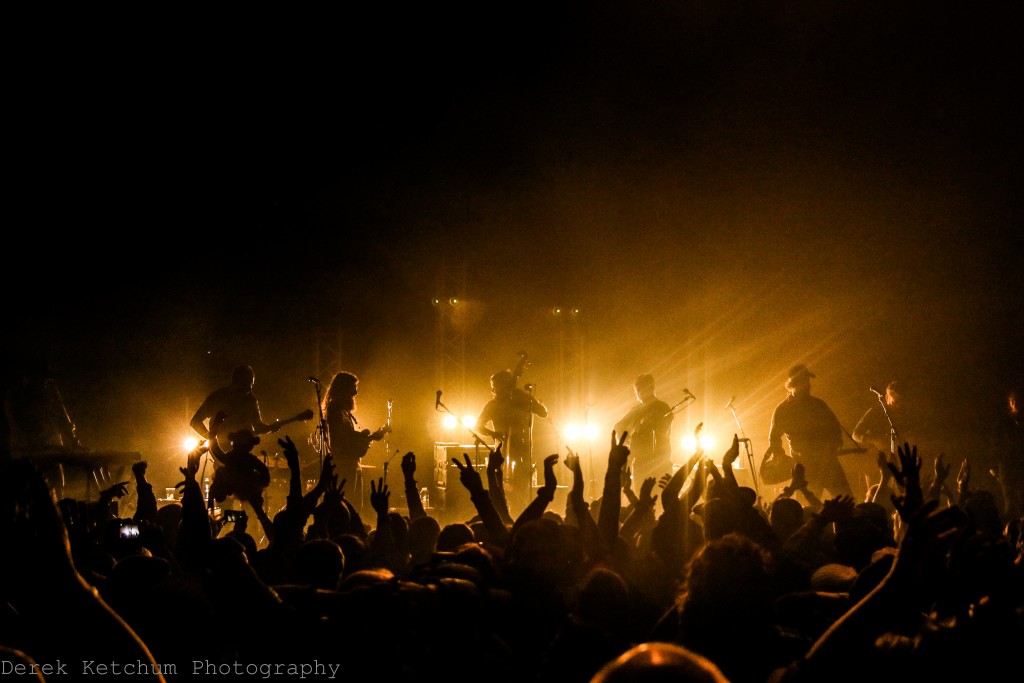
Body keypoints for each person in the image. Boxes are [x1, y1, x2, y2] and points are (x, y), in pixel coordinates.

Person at [764, 364, 851, 499]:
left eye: (808, 381)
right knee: (808, 507)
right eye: (804, 381)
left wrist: (836, 443)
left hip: (828, 462)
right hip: (805, 467)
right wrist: (781, 457)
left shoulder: (819, 404)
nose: (808, 385)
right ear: (793, 384)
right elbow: (774, 438)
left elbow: (835, 428)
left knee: (847, 500)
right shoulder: (783, 409)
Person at [477, 368, 549, 514]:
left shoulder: (521, 399)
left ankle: (520, 511)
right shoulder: (492, 405)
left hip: (522, 447)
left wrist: (527, 399)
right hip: (501, 450)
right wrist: (493, 433)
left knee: (522, 485)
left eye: (497, 386)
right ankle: (502, 513)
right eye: (494, 386)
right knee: (499, 485)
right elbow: (478, 425)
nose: (495, 389)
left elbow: (543, 413)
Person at [322, 371, 390, 514]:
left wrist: (370, 437)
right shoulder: (335, 411)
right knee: (348, 505)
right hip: (343, 464)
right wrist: (369, 438)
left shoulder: (343, 412)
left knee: (354, 505)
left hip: (351, 463)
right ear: (344, 389)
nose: (355, 393)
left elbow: (348, 437)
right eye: (353, 388)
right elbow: (340, 441)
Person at [190, 364, 277, 453]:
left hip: (243, 453)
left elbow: (257, 425)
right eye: (246, 384)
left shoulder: (250, 400)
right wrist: (211, 438)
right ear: (236, 382)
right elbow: (195, 421)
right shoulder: (218, 397)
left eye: (251, 385)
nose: (249, 389)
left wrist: (270, 428)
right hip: (221, 451)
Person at [614, 373, 673, 483]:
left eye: (640, 389)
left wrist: (646, 426)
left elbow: (662, 431)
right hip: (640, 463)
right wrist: (626, 439)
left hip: (659, 461)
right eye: (637, 390)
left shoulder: (662, 407)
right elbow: (618, 426)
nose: (638, 393)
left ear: (651, 388)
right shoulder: (636, 410)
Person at [990, 384, 1024, 521]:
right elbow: (995, 444)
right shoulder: (1002, 423)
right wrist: (993, 466)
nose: (1015, 404)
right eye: (1013, 401)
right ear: (1010, 402)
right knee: (1009, 500)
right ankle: (1010, 532)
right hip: (1007, 467)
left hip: (1020, 465)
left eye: (1018, 400)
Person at [852, 380, 906, 457]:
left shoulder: (904, 413)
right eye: (895, 402)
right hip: (883, 458)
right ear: (887, 397)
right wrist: (875, 440)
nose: (899, 405)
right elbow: (855, 434)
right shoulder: (876, 412)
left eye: (901, 402)